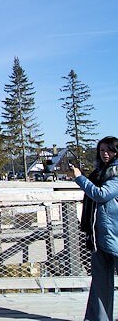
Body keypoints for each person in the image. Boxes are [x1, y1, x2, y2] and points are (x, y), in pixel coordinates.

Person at [69, 136, 118, 321]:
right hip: (99, 236)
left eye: (110, 150)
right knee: (100, 284)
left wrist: (79, 178)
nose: (105, 153)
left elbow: (101, 194)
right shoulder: (100, 173)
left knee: (102, 283)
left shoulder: (116, 173)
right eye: (102, 150)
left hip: (114, 234)